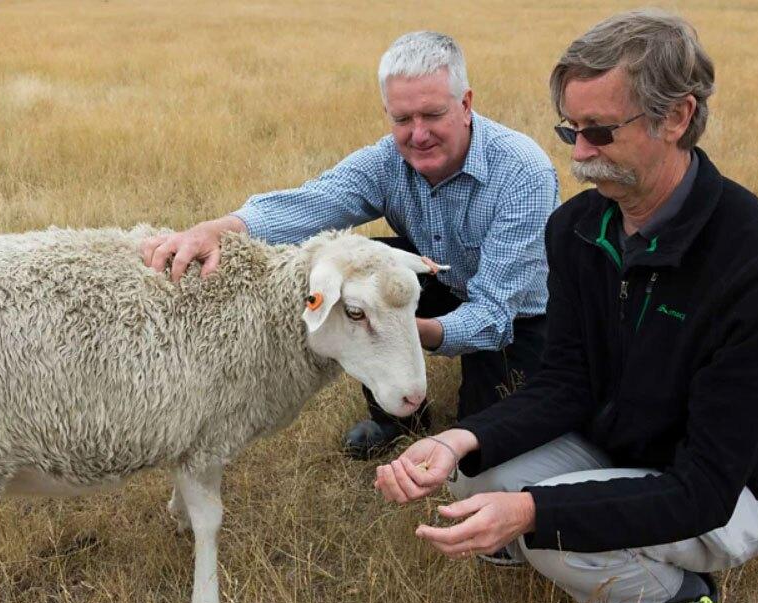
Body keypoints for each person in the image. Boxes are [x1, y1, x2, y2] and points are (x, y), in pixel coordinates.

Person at [373, 10, 758, 603]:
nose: (578, 155)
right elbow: (565, 383)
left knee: (549, 532)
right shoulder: (575, 229)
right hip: (614, 447)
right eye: (568, 131)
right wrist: (457, 438)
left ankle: (681, 598)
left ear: (676, 117)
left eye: (599, 132)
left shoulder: (757, 257)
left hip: (729, 495)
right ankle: (575, 535)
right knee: (473, 476)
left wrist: (532, 512)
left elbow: (704, 487)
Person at [140, 31, 558, 459]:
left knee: (482, 447)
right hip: (439, 276)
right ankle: (398, 421)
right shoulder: (386, 161)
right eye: (402, 119)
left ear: (465, 104)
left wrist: (399, 329)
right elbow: (314, 201)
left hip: (518, 314)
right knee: (361, 273)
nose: (418, 135)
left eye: (433, 115)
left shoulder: (523, 173)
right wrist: (220, 229)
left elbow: (495, 314)